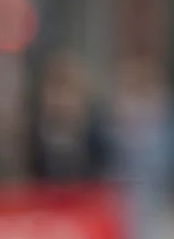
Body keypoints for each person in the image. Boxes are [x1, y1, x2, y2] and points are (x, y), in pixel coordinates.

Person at [26, 51, 115, 183]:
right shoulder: (27, 144)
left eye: (69, 90)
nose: (61, 100)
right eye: (55, 88)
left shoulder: (98, 145)